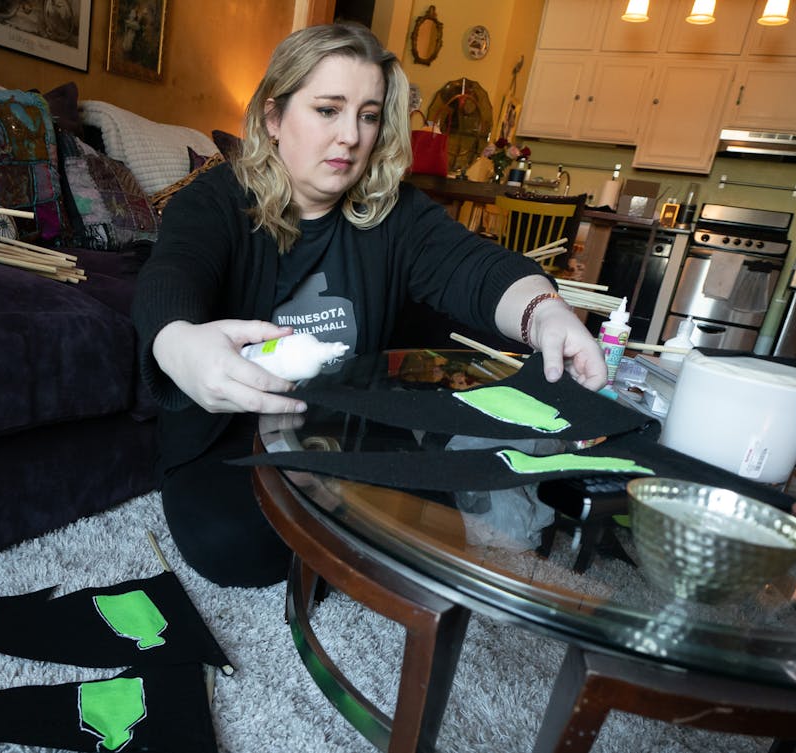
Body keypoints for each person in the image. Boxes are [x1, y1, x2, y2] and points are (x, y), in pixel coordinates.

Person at [132, 23, 606, 588]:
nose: (351, 136)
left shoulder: (393, 213)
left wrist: (544, 311)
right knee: (234, 544)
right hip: (232, 439)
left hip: (349, 430)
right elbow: (172, 273)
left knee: (431, 520)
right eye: (328, 109)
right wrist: (178, 342)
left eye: (368, 115)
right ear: (273, 118)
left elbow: (474, 267)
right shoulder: (213, 202)